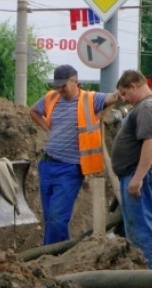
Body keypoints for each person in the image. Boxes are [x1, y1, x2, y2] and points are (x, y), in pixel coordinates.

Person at [29, 64, 120, 245]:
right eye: (57, 85)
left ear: (75, 81)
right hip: (47, 165)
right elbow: (33, 111)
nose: (60, 89)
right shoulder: (51, 98)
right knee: (50, 218)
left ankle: (50, 253)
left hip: (70, 168)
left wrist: (110, 105)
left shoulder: (90, 99)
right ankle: (62, 252)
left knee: (56, 218)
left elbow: (114, 97)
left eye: (63, 85)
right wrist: (47, 128)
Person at [109, 69, 152, 269]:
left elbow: (151, 142)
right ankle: (148, 275)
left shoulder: (149, 107)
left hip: (144, 177)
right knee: (146, 228)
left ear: (134, 86)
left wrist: (137, 178)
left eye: (125, 94)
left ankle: (148, 277)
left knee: (143, 231)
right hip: (150, 174)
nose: (124, 99)